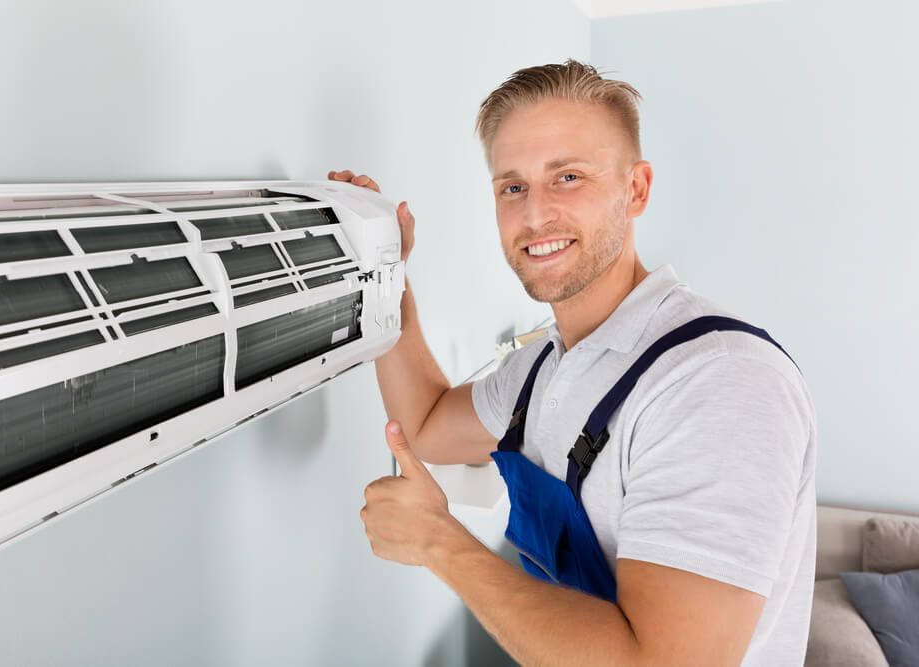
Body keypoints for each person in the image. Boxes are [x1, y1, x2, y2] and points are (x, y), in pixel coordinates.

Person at [335, 59, 816, 666]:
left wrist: (439, 542)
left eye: (567, 177)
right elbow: (428, 422)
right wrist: (388, 271)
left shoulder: (720, 381)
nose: (535, 215)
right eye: (513, 187)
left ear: (636, 189)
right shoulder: (544, 368)